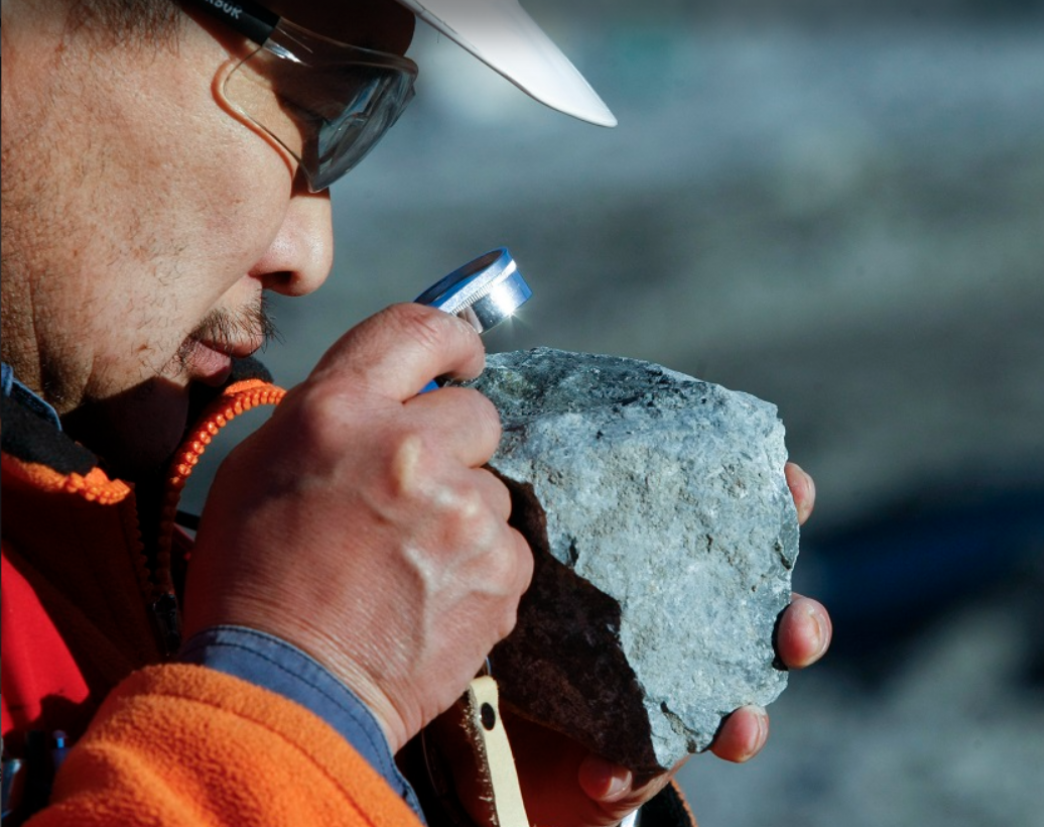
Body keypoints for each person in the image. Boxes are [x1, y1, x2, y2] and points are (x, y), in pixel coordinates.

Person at [0, 0, 833, 824]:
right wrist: (306, 690)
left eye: (351, 129)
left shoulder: (135, 559)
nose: (308, 255)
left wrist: (426, 773)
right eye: (311, 101)